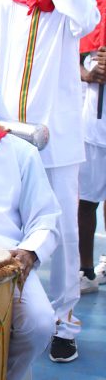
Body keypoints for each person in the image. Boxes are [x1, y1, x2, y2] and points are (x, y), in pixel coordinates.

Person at [0, 0, 100, 362]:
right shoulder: (4, 8)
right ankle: (5, 304)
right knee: (5, 221)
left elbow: (89, 21)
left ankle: (64, 320)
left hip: (58, 144)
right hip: (7, 140)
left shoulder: (71, 9)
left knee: (65, 234)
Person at [0, 64, 61, 379]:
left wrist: (30, 253)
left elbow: (45, 217)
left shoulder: (20, 153)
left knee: (39, 322)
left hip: (7, 260)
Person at [78, 46, 106, 293]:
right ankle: (86, 271)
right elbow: (69, 60)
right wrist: (88, 75)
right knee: (87, 200)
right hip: (92, 131)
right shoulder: (90, 21)